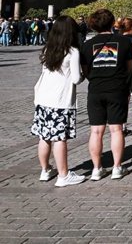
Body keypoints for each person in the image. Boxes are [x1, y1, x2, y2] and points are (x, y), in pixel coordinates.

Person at [80, 9, 132, 180]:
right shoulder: (124, 42)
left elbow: (85, 69)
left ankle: (97, 169)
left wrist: (96, 78)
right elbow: (130, 66)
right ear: (113, 23)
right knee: (116, 129)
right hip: (117, 88)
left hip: (96, 89)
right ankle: (117, 167)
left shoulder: (87, 45)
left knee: (96, 131)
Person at [31, 16, 87, 187]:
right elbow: (76, 79)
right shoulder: (72, 51)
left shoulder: (49, 48)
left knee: (44, 136)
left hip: (43, 98)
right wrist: (84, 73)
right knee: (60, 138)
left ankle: (45, 170)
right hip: (60, 100)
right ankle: (63, 175)